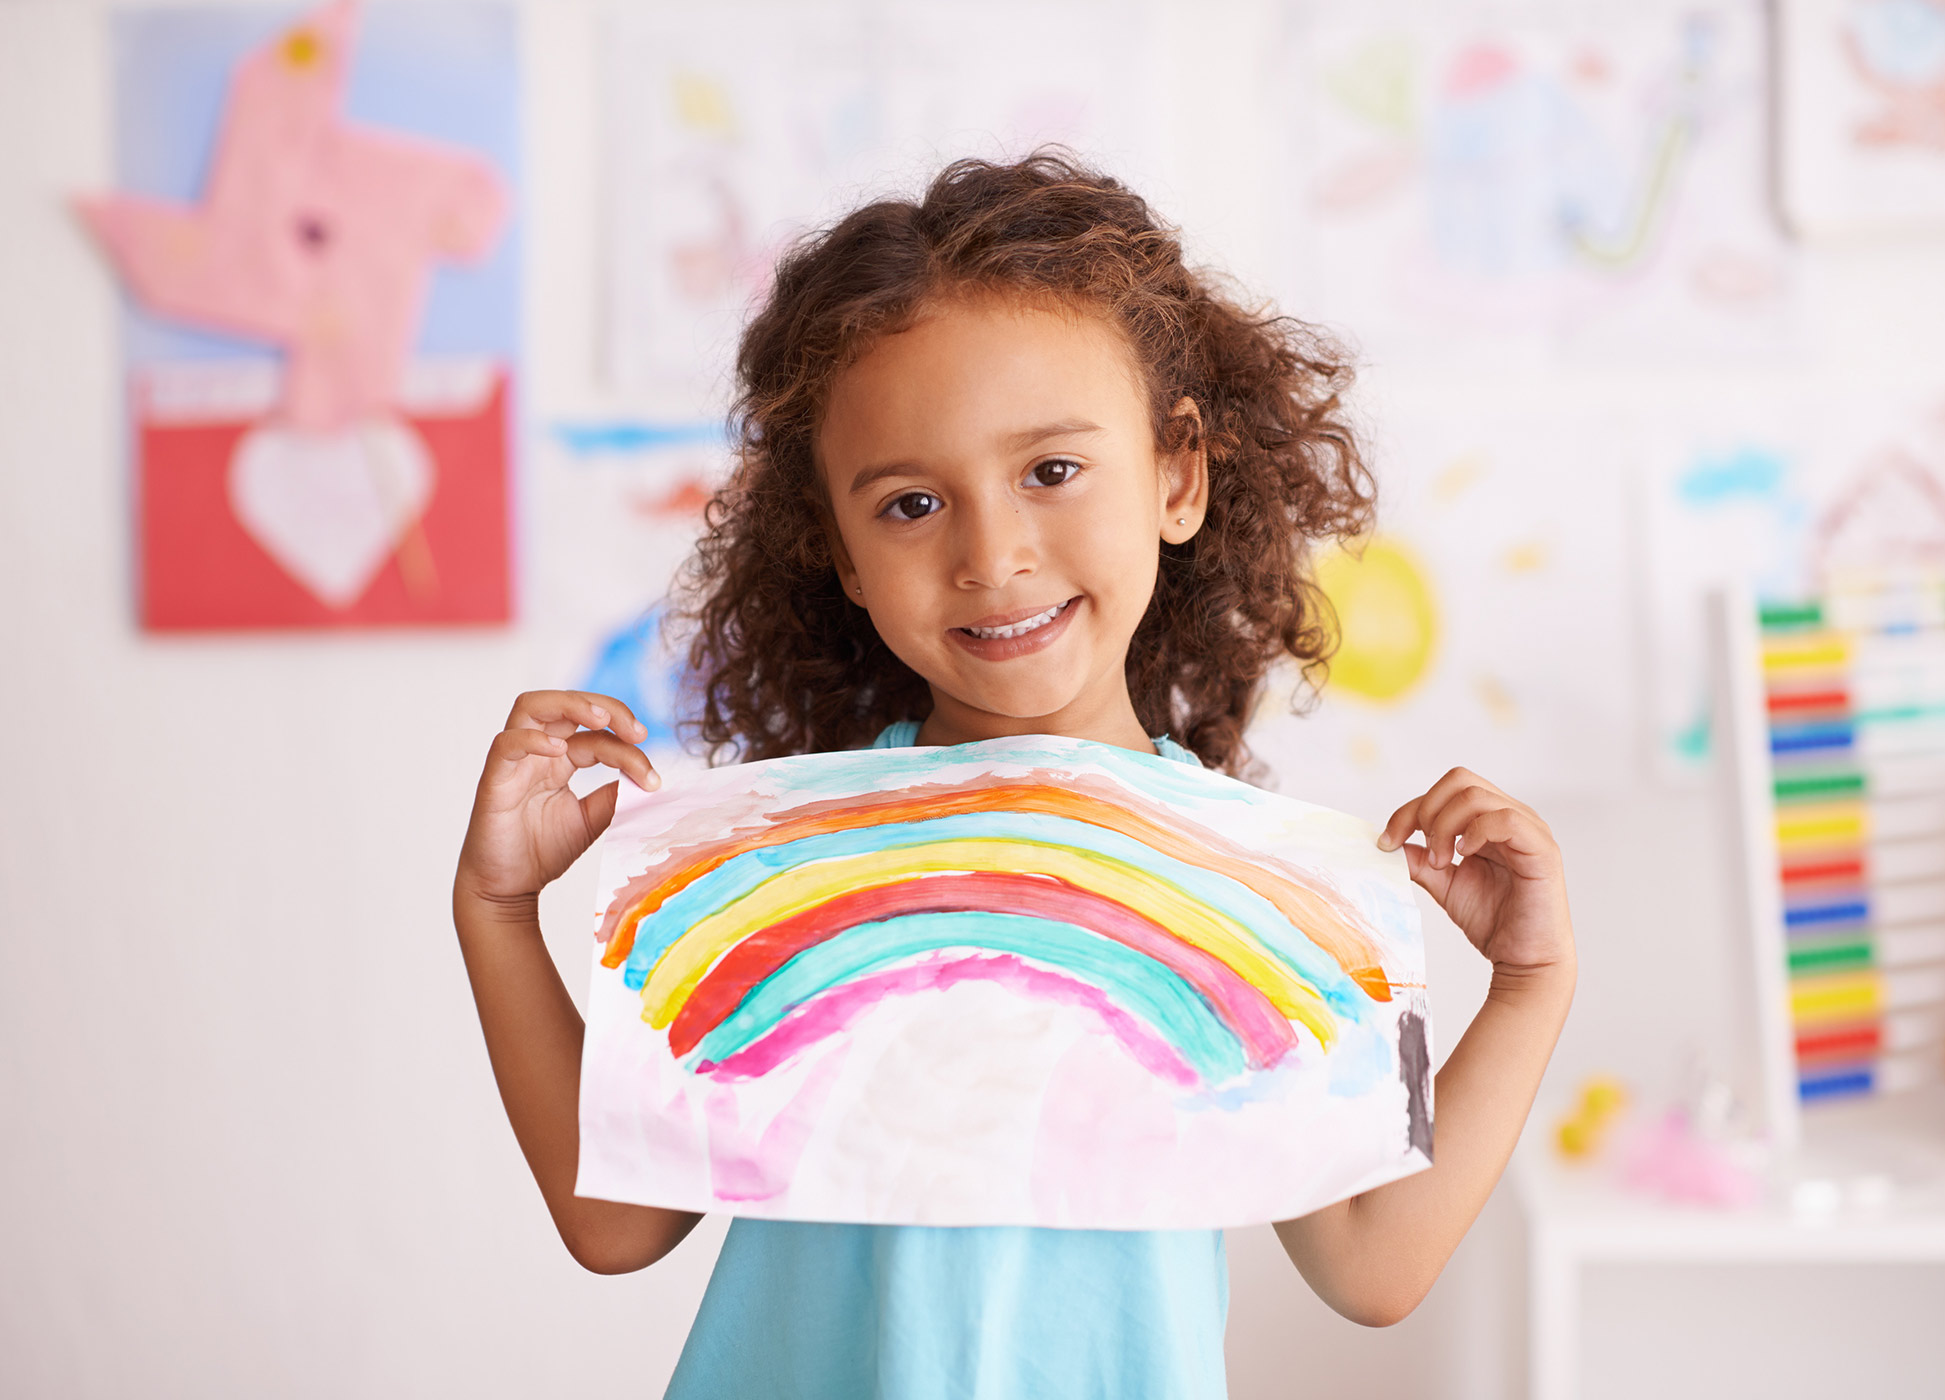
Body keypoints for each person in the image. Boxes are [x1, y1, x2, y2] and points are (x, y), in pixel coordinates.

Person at [453, 154, 1575, 1398]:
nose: (991, 554)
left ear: (1176, 474)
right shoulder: (778, 860)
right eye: (912, 502)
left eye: (1050, 471)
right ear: (839, 549)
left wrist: (1527, 985)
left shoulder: (1251, 886)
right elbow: (615, 1225)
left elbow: (1375, 1263)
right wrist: (498, 912)